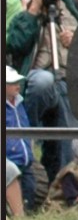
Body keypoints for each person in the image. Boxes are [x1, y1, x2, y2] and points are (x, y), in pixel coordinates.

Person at [6, 0, 78, 187]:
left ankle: (62, 189)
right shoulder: (24, 17)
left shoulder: (76, 9)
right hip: (37, 81)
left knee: (68, 143)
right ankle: (29, 131)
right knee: (44, 81)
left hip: (71, 80)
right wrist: (35, 8)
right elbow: (15, 45)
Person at [5, 66, 36, 210]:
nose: (17, 85)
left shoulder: (19, 103)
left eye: (18, 82)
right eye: (12, 83)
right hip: (10, 160)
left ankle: (27, 217)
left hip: (25, 161)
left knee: (30, 191)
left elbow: (26, 128)